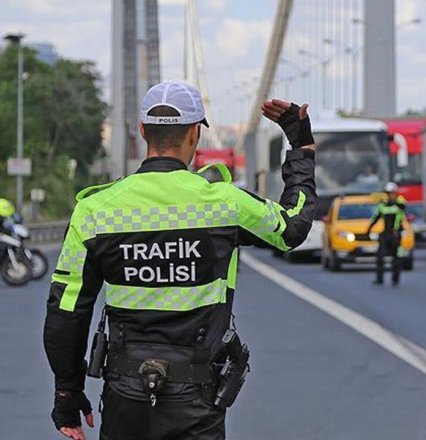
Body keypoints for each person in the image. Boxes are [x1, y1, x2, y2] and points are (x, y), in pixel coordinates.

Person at [43, 80, 317, 440]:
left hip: (125, 394)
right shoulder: (225, 205)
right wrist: (300, 148)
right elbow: (291, 227)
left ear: (143, 131)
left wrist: (67, 391)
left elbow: (66, 312)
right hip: (196, 396)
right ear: (194, 134)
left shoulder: (94, 211)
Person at [366, 182, 406, 286]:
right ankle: (379, 279)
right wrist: (368, 230)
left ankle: (395, 279)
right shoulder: (382, 206)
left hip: (396, 234)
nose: (390, 195)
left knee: (396, 258)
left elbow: (402, 206)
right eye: (388, 193)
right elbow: (375, 218)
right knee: (380, 257)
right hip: (385, 234)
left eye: (392, 193)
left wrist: (394, 202)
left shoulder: (399, 203)